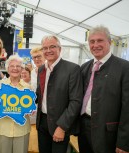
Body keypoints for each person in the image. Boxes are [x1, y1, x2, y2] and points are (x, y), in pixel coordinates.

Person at [78, 25, 129, 153]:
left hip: (108, 134)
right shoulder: (84, 67)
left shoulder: (124, 68)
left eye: (100, 40)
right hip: (84, 128)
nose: (95, 45)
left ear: (110, 42)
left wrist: (124, 142)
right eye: (92, 41)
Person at [36, 35, 83, 153]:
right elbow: (39, 95)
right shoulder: (41, 69)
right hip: (42, 123)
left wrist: (62, 127)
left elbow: (76, 101)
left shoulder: (72, 69)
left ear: (60, 49)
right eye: (45, 48)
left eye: (52, 47)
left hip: (59, 124)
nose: (48, 51)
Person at [0, 55, 31, 153]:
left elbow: (31, 108)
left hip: (22, 130)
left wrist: (31, 110)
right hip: (3, 129)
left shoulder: (28, 87)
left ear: (22, 69)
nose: (15, 68)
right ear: (7, 68)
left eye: (18, 66)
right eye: (12, 66)